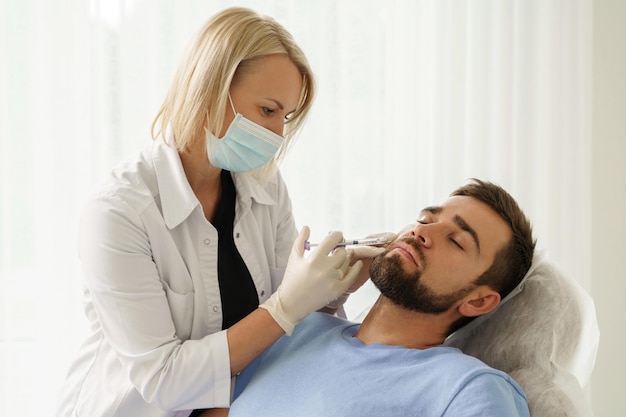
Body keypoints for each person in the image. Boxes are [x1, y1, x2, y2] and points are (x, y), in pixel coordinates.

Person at [55, 7, 381, 417]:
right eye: (267, 110)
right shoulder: (118, 213)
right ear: (209, 88)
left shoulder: (264, 185)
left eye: (286, 116)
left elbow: (288, 322)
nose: (278, 135)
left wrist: (332, 289)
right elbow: (164, 382)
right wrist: (285, 307)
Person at [199, 179, 537, 417]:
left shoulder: (468, 389)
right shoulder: (297, 331)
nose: (420, 232)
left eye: (456, 240)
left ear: (478, 302)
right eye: (425, 219)